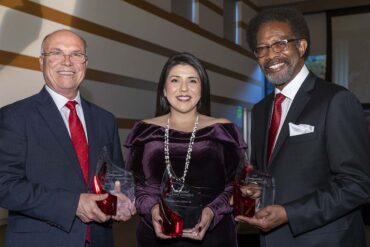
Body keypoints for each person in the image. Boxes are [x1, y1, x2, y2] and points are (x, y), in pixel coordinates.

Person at [235, 7, 370, 247]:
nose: (270, 55)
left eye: (279, 44)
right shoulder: (260, 110)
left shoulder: (336, 101)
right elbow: (265, 171)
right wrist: (255, 189)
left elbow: (357, 184)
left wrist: (289, 213)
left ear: (302, 46)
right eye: (262, 48)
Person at [0, 29, 135, 247]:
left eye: (76, 54)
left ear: (85, 63)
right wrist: (74, 204)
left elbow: (113, 177)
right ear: (41, 62)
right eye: (56, 53)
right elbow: (4, 186)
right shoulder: (14, 117)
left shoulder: (105, 120)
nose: (67, 61)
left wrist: (121, 198)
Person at [125, 52, 245, 246]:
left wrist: (212, 211)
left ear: (202, 89)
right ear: (164, 89)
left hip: (215, 236)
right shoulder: (144, 131)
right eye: (175, 80)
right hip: (156, 235)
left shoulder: (223, 130)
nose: (183, 88)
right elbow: (133, 185)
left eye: (192, 81)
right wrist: (153, 209)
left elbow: (239, 184)